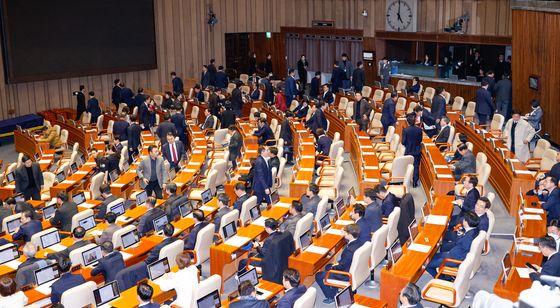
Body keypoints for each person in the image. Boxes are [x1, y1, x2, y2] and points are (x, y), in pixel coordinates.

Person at [315, 224, 364, 304]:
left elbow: (341, 267)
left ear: (350, 235)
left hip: (346, 275)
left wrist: (335, 266)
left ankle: (331, 296)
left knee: (319, 275)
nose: (343, 233)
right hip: (353, 268)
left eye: (345, 232)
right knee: (328, 266)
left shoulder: (349, 250)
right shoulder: (360, 242)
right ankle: (335, 288)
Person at [426, 212, 480, 277]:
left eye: (464, 219)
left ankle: (442, 278)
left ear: (466, 222)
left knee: (426, 264)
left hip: (453, 259)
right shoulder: (475, 230)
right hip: (452, 254)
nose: (462, 220)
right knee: (429, 258)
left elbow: (463, 244)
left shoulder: (468, 238)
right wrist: (461, 235)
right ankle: (443, 274)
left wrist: (461, 237)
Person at [402, 114, 423, 187]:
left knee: (407, 165)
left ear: (407, 122)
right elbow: (420, 140)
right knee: (416, 166)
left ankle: (406, 180)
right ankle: (415, 182)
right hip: (417, 151)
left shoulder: (405, 130)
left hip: (408, 151)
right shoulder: (419, 130)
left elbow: (403, 142)